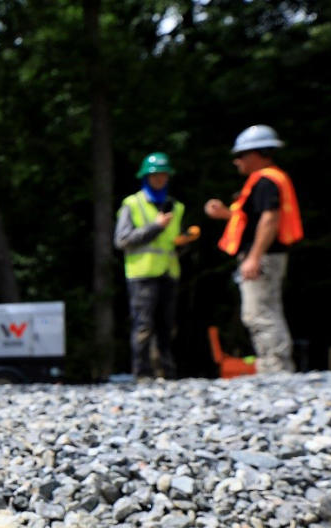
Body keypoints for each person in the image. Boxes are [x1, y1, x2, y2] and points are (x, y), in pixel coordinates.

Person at [204, 125, 304, 374]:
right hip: (267, 255)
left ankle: (275, 369)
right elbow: (251, 220)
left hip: (264, 257)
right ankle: (274, 367)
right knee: (265, 310)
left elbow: (270, 219)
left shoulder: (266, 181)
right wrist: (225, 214)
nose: (236, 161)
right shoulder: (266, 180)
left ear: (256, 154)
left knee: (260, 313)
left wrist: (254, 257)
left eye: (241, 155)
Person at [114, 152, 187, 378]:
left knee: (166, 326)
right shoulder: (132, 204)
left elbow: (172, 243)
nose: (159, 179)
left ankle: (166, 372)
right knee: (143, 326)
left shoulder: (176, 206)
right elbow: (122, 240)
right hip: (141, 274)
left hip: (169, 271)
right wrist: (155, 227)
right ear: (146, 177)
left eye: (163, 175)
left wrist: (183, 242)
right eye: (155, 175)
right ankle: (142, 373)